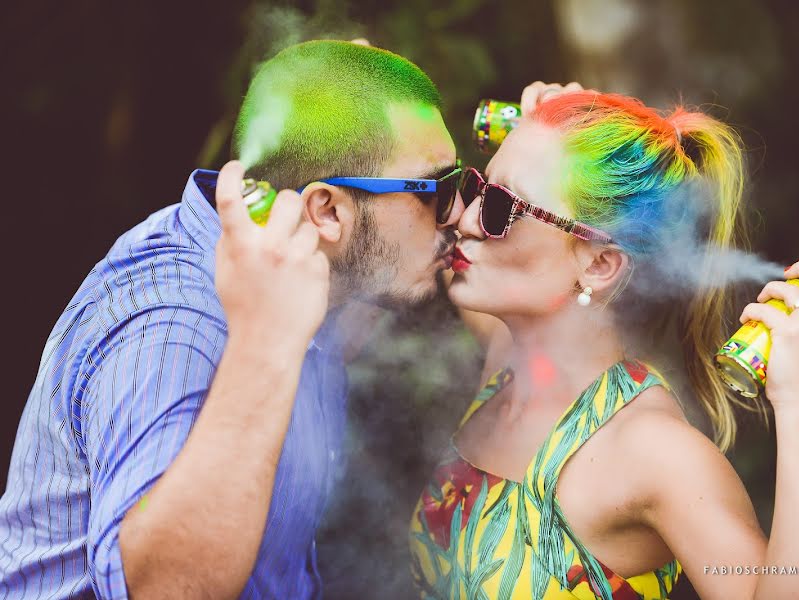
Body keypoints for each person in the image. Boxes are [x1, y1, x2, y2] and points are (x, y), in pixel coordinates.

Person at [0, 40, 464, 599]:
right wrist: (264, 344)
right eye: (435, 189)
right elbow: (164, 591)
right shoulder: (172, 326)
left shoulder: (306, 266)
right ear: (328, 211)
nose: (458, 213)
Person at [409, 87, 799, 599]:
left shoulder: (650, 450)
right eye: (479, 188)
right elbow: (426, 262)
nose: (465, 219)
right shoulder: (510, 354)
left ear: (600, 264)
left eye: (501, 207)